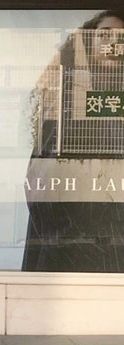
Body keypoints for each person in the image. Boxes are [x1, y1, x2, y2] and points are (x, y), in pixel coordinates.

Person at [23, 9, 124, 271]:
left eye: (121, 36)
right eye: (105, 34)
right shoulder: (63, 97)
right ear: (88, 42)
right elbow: (43, 180)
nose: (114, 42)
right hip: (69, 247)